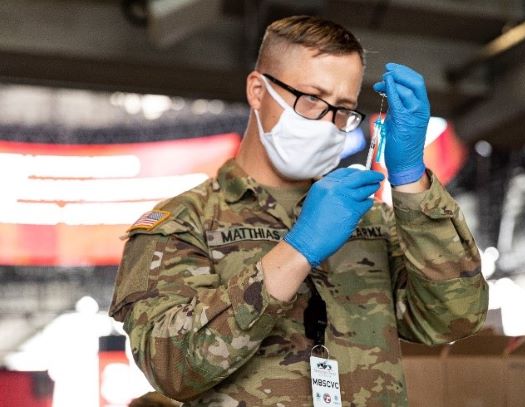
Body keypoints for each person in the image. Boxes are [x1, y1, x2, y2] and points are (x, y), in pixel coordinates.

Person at [109, 15, 488, 406]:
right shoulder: (183, 224)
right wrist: (298, 250)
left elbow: (454, 317)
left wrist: (410, 181)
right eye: (311, 99)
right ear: (257, 91)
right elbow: (172, 368)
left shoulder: (368, 219)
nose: (329, 122)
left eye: (343, 108)